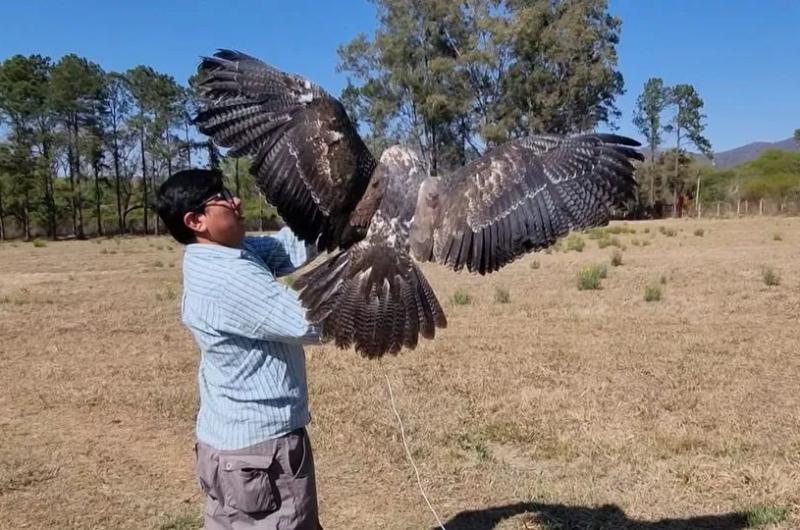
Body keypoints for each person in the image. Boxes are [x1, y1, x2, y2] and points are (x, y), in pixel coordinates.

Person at [155, 168, 323, 530]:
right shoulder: (227, 278)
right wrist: (371, 282)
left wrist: (340, 217)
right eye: (222, 198)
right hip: (260, 454)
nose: (236, 201)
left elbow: (286, 248)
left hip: (230, 450)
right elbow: (310, 322)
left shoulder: (225, 254)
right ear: (196, 220)